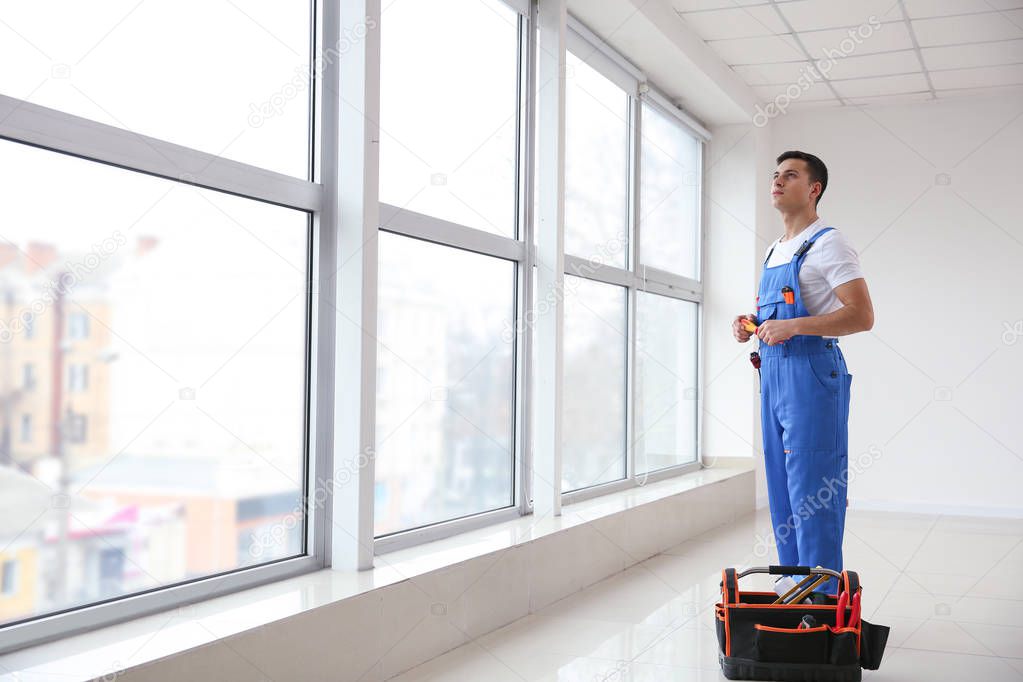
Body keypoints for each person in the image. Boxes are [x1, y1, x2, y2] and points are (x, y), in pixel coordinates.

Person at [732, 151, 874, 594]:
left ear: (814, 189)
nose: (777, 181)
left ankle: (825, 597)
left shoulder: (829, 242)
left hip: (812, 375)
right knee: (783, 487)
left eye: (790, 175)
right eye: (775, 174)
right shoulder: (774, 250)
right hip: (773, 378)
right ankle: (795, 587)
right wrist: (750, 325)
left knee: (814, 490)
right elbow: (775, 316)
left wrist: (792, 326)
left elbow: (861, 316)